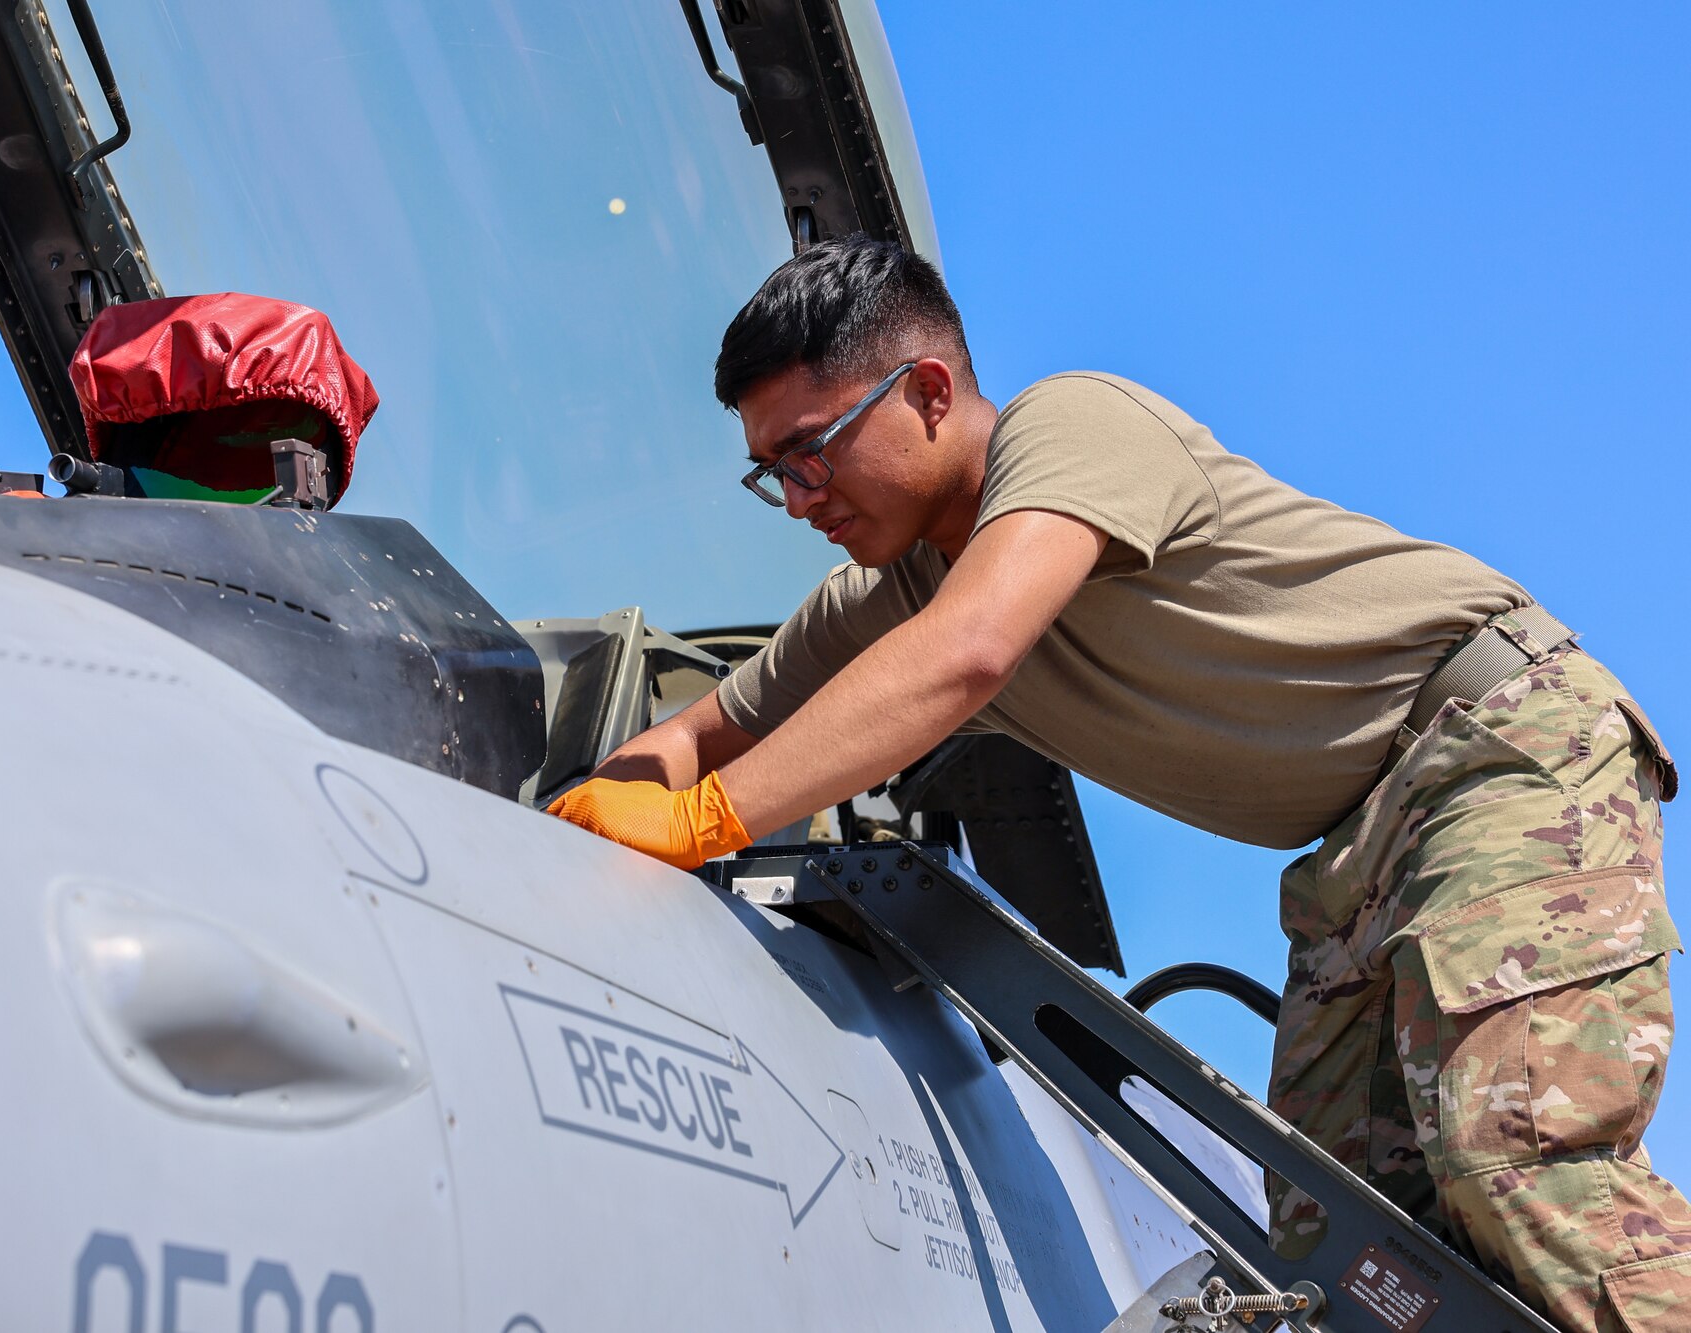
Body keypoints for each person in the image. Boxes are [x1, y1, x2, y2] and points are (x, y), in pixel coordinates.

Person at [548, 236, 1690, 1330]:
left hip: (1491, 749)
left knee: (1517, 1152)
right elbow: (700, 729)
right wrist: (582, 828)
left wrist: (701, 820)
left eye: (809, 453)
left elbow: (968, 652)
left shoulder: (1070, 429)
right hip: (1357, 856)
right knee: (1350, 1246)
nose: (797, 499)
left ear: (928, 393)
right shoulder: (886, 598)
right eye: (768, 476)